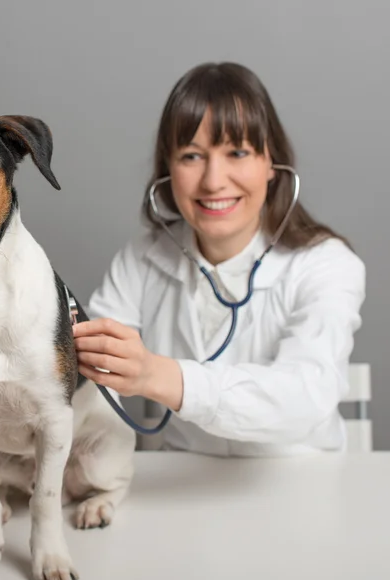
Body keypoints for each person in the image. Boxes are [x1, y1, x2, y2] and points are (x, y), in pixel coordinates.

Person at [72, 62, 366, 457]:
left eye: (238, 152)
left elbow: (306, 397)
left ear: (271, 164)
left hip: (300, 483)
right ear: (168, 169)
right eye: (192, 156)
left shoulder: (327, 264)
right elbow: (90, 372)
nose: (213, 181)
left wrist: (160, 375)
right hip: (182, 483)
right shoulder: (142, 259)